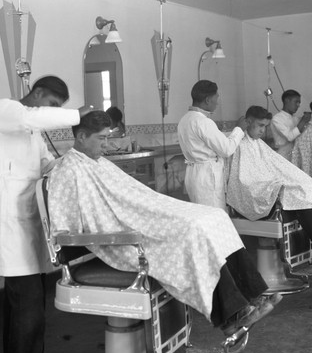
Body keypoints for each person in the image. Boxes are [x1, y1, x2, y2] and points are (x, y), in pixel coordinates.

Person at [47, 110, 282, 337]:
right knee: (195, 230)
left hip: (138, 220)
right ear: (81, 137)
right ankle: (231, 317)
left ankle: (252, 295)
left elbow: (132, 195)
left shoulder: (96, 161)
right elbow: (68, 227)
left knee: (215, 218)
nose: (107, 146)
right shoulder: (68, 171)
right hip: (121, 238)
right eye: (101, 139)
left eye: (108, 138)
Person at [0, 76, 92, 353]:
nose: (54, 111)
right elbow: (32, 117)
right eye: (53, 104)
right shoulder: (4, 110)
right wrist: (77, 115)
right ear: (37, 93)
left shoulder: (32, 132)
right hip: (9, 216)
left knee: (23, 301)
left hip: (31, 215)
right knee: (27, 303)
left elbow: (47, 164)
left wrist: (76, 157)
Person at [226, 106, 312, 256]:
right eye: (260, 125)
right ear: (247, 122)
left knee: (309, 187)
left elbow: (274, 166)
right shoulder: (239, 144)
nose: (262, 131)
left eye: (265, 127)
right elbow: (243, 179)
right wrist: (273, 185)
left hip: (270, 185)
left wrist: (296, 178)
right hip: (255, 194)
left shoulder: (257, 142)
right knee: (297, 193)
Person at [178, 80, 247, 210]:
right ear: (208, 99)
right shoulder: (203, 122)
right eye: (216, 98)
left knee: (201, 214)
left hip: (194, 174)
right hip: (207, 176)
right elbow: (226, 149)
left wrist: (231, 133)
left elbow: (211, 139)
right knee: (214, 215)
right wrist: (239, 129)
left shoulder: (185, 119)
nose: (217, 102)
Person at [270, 89, 311, 160]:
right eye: (296, 102)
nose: (298, 105)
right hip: (283, 156)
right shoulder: (277, 119)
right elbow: (290, 137)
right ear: (287, 100)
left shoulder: (296, 119)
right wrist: (303, 121)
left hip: (296, 154)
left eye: (299, 103)